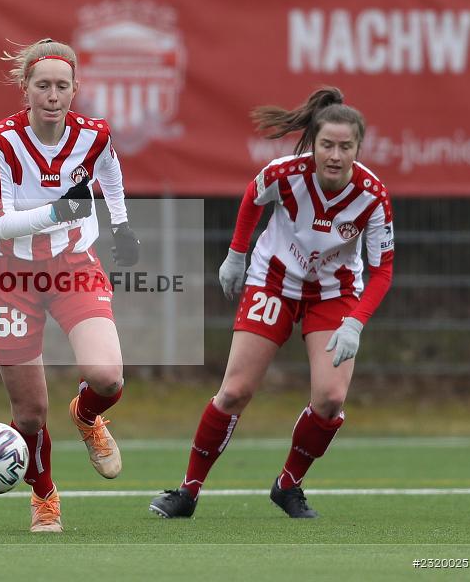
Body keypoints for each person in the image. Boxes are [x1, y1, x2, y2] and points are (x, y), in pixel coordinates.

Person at [150, 87, 394, 519]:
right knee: (235, 390)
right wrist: (236, 255)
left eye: (345, 146)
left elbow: (383, 272)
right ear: (313, 143)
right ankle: (187, 491)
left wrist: (355, 322)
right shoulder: (285, 173)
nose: (335, 155)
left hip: (333, 294)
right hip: (274, 282)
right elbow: (252, 197)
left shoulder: (373, 195)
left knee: (330, 401)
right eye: (327, 145)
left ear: (359, 148)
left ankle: (288, 485)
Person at [0, 38, 141, 533]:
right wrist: (57, 211)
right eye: (42, 85)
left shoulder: (93, 135)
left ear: (75, 90)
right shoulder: (2, 141)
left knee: (108, 377)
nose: (53, 94)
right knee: (28, 414)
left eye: (62, 86)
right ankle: (44, 497)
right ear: (25, 90)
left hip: (73, 266)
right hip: (9, 275)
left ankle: (87, 415)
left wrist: (121, 225)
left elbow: (109, 170)